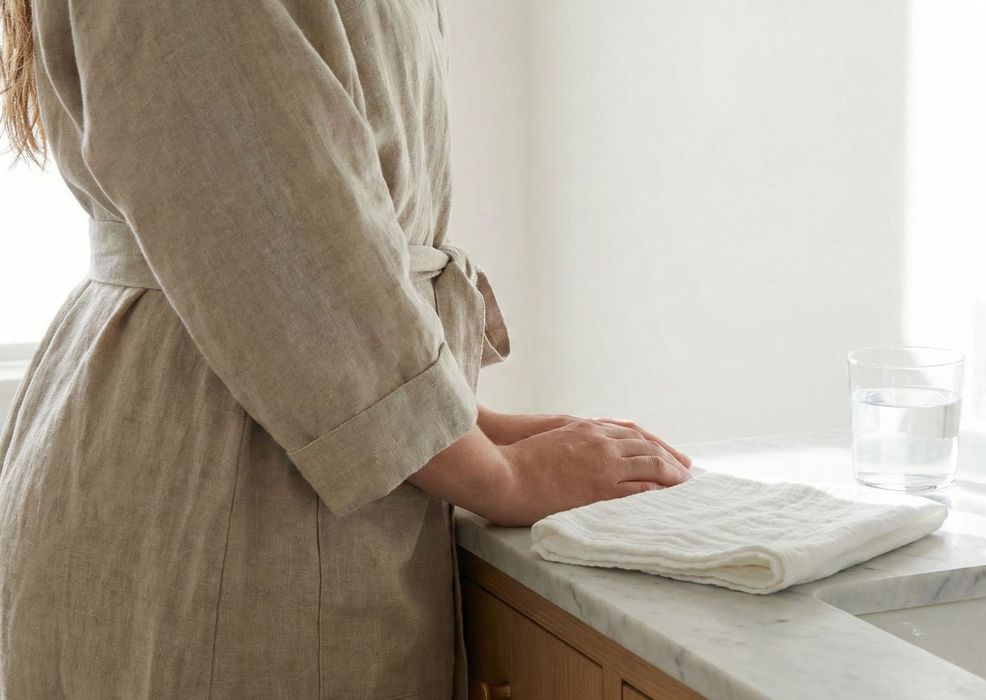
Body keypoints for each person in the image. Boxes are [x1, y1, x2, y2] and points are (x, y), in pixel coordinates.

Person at [0, 0, 691, 697]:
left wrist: (464, 426)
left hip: (238, 426)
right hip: (217, 482)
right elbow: (273, 228)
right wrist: (499, 478)